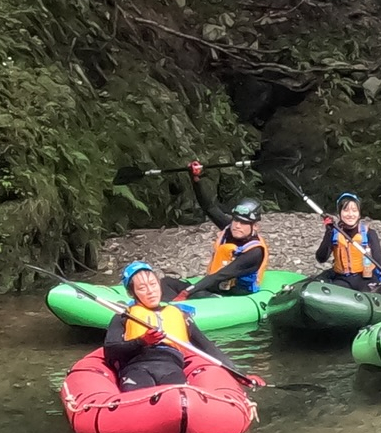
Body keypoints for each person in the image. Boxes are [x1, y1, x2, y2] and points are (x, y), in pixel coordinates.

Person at [102, 262, 261, 390]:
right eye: (142, 288)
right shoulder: (123, 316)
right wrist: (142, 341)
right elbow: (110, 352)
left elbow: (208, 348)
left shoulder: (180, 315)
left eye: (153, 284)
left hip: (171, 367)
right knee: (138, 395)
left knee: (180, 403)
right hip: (137, 367)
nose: (151, 291)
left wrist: (241, 375)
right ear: (132, 293)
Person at [184, 160, 269, 299]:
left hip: (235, 294)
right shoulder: (230, 227)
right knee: (169, 282)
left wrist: (188, 291)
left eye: (244, 222)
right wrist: (195, 178)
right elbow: (209, 207)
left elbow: (221, 275)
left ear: (255, 226)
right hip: (217, 284)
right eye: (236, 220)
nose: (237, 225)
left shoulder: (255, 252)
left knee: (196, 294)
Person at [316, 193, 381, 296]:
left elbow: (378, 258)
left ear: (359, 214)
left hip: (366, 278)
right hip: (343, 279)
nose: (350, 214)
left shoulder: (369, 233)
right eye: (346, 210)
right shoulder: (334, 233)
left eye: (354, 210)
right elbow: (321, 258)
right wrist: (328, 232)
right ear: (339, 214)